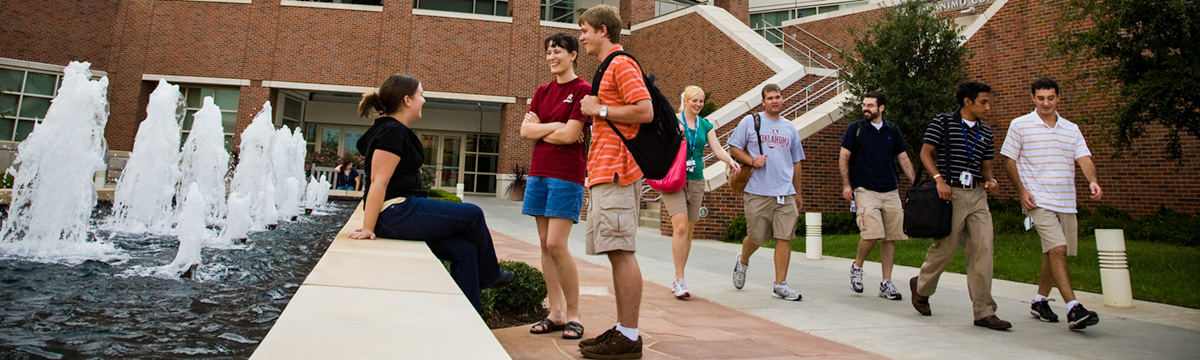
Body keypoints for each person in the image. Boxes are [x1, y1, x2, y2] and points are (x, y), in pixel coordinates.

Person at [346, 74, 513, 314]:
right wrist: (369, 227)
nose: (424, 100)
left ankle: (468, 317)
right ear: (407, 100)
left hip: (402, 210)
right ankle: (491, 276)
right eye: (421, 94)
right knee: (473, 214)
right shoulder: (391, 131)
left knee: (466, 251)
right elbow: (378, 181)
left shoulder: (394, 129)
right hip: (395, 212)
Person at [575, 4, 654, 359]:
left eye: (585, 30)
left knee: (622, 252)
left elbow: (645, 110)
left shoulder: (621, 64)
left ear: (603, 30)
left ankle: (630, 335)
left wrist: (600, 109)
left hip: (619, 172)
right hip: (606, 172)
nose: (581, 36)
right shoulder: (608, 68)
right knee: (615, 251)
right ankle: (623, 329)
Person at [1001, 77, 1102, 330]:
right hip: (1037, 199)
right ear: (1032, 98)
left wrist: (1092, 180)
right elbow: (1009, 161)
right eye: (1041, 98)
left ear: (1058, 98)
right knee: (1057, 248)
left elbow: (1084, 157)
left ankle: (1039, 300)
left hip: (1066, 201)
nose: (1046, 103)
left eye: (1051, 98)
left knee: (1053, 251)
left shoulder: (1071, 128)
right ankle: (1073, 308)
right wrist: (1022, 191)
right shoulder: (1020, 125)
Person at [910, 81, 1011, 330]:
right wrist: (939, 181)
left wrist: (991, 181)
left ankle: (984, 311)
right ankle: (921, 287)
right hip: (950, 194)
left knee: (983, 250)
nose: (988, 107)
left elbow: (986, 165)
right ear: (968, 101)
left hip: (977, 194)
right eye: (983, 102)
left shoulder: (986, 132)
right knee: (945, 249)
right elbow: (925, 153)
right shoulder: (942, 122)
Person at [519, 32, 590, 340]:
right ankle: (556, 313)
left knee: (555, 244)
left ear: (573, 54)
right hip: (539, 173)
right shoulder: (542, 90)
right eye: (548, 52)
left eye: (558, 51)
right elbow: (524, 131)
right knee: (545, 244)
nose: (551, 56)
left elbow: (571, 135)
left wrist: (543, 130)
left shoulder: (583, 90)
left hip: (567, 175)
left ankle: (574, 315)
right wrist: (556, 127)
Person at [727, 83, 806, 301]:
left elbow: (797, 162)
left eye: (778, 97)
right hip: (758, 191)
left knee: (784, 237)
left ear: (783, 100)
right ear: (763, 101)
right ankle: (743, 260)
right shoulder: (751, 122)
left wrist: (798, 192)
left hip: (785, 192)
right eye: (770, 98)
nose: (774, 101)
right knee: (757, 237)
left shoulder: (789, 127)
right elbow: (733, 148)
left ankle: (780, 284)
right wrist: (752, 160)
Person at [662, 85, 741, 299]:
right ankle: (679, 279)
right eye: (694, 101)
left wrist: (730, 161)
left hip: (696, 180)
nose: (698, 104)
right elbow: (661, 143)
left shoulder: (705, 125)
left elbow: (716, 149)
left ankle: (680, 276)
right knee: (679, 227)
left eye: (701, 101)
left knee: (688, 231)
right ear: (685, 101)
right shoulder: (674, 120)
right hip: (675, 179)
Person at [839, 91, 915, 300]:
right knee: (871, 233)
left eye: (870, 105)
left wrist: (915, 184)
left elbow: (903, 158)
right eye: (864, 105)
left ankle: (886, 282)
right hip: (865, 189)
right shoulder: (856, 129)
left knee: (891, 237)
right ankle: (857, 267)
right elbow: (844, 157)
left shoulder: (892, 130)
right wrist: (847, 185)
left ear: (881, 108)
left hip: (890, 190)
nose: (866, 108)